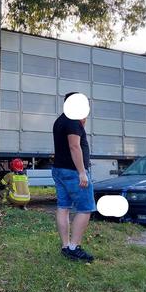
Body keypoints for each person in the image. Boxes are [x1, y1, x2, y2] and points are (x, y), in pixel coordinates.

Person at [52, 92, 95, 262]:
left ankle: (65, 246)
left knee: (63, 207)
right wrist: (82, 172)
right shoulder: (72, 121)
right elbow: (74, 147)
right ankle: (74, 247)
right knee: (85, 208)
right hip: (73, 172)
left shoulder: (61, 120)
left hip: (59, 170)